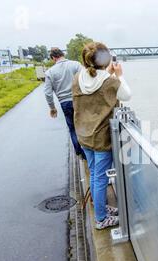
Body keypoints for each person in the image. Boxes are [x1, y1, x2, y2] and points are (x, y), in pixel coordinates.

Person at [73, 42, 131, 230]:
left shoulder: (77, 78)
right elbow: (126, 95)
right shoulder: (110, 80)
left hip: (83, 135)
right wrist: (119, 76)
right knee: (100, 178)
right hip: (100, 138)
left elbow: (97, 87)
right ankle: (101, 219)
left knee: (94, 173)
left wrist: (110, 75)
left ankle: (100, 207)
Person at [44, 48, 86, 159]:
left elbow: (48, 93)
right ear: (63, 54)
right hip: (79, 99)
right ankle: (88, 151)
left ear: (53, 58)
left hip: (64, 103)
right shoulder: (76, 65)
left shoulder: (49, 72)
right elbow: (86, 78)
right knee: (84, 124)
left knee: (72, 127)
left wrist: (52, 108)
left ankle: (79, 152)